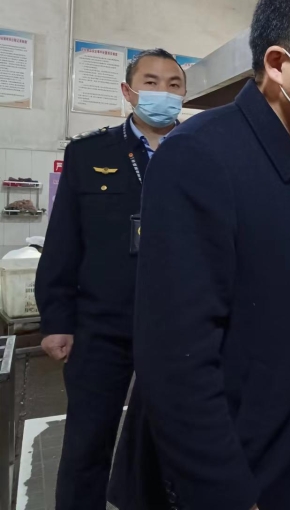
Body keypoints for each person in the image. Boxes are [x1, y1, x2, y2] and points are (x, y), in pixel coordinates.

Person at [108, 0, 290, 510]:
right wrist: (223, 491)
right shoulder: (199, 156)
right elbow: (174, 358)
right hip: (228, 465)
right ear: (278, 64)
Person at [35, 48, 186, 510]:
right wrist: (56, 319)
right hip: (101, 327)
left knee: (174, 441)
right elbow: (64, 241)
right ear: (128, 91)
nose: (163, 92)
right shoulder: (89, 153)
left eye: (174, 84)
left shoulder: (201, 152)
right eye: (151, 82)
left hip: (178, 327)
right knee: (87, 442)